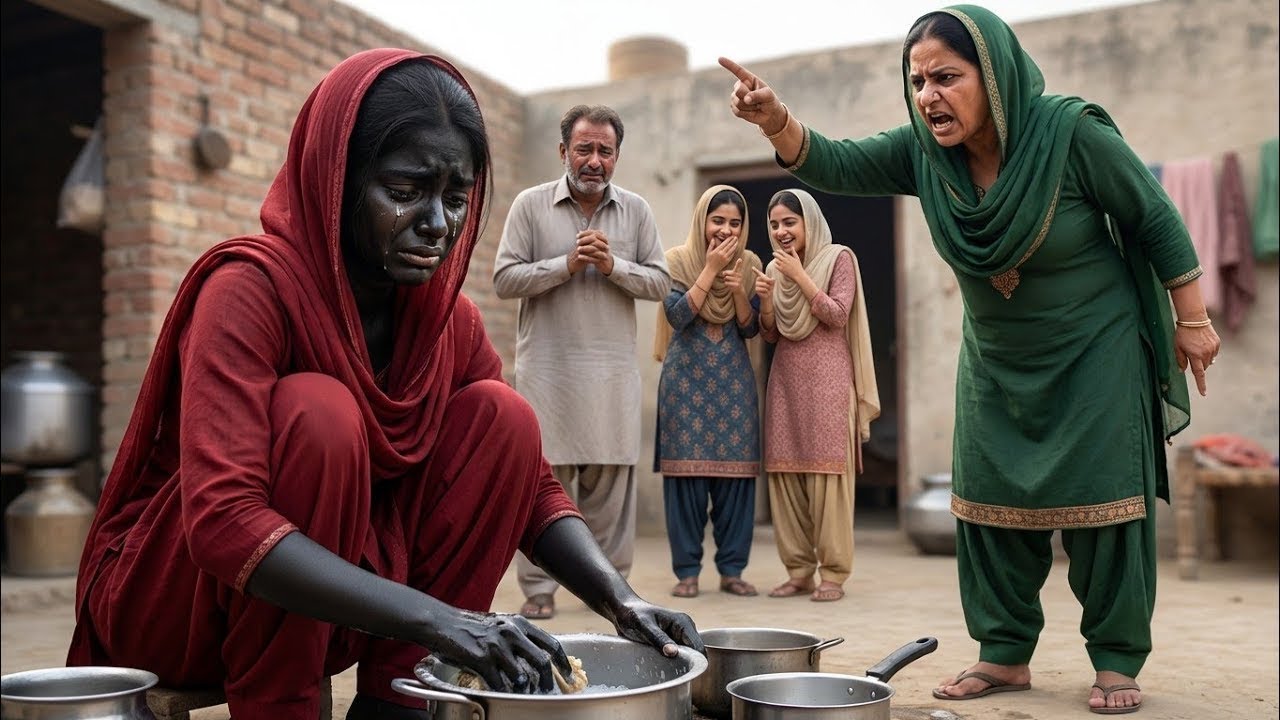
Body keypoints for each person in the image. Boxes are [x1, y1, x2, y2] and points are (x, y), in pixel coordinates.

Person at [67, 50, 701, 720]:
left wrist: (619, 598)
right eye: (404, 193)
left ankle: (399, 701)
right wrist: (444, 620)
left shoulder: (443, 319)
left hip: (340, 611)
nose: (437, 226)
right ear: (334, 181)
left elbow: (533, 489)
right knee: (319, 415)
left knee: (502, 418)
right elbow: (224, 523)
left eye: (455, 200)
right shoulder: (248, 292)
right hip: (181, 607)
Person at [720, 4, 1220, 715]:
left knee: (1105, 510)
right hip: (995, 361)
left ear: (994, 76)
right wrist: (775, 120)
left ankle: (1114, 660)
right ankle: (1004, 655)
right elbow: (836, 161)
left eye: (946, 77)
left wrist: (1192, 319)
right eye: (918, 81)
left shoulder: (1070, 133)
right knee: (987, 508)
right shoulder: (925, 153)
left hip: (1094, 353)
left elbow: (1155, 216)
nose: (928, 97)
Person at [494, 104, 671, 621]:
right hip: (548, 372)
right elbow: (505, 279)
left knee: (612, 489)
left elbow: (660, 283)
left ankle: (613, 593)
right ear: (563, 151)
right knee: (543, 482)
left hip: (610, 374)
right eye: (584, 149)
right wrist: (566, 265)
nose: (594, 160)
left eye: (605, 151)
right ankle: (539, 590)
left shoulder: (636, 211)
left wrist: (612, 265)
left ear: (617, 156)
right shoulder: (530, 205)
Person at [751, 188, 879, 604]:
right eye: (774, 224)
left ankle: (834, 574)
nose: (781, 231)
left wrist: (800, 277)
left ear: (809, 222)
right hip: (786, 380)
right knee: (786, 475)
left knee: (827, 476)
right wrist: (768, 301)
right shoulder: (774, 266)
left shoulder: (838, 258)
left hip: (829, 381)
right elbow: (772, 334)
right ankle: (799, 571)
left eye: (790, 222)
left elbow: (837, 314)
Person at [652, 184, 763, 599]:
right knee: (686, 481)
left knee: (736, 483)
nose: (726, 230)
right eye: (718, 220)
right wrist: (712, 270)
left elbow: (750, 328)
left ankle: (732, 571)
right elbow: (678, 316)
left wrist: (737, 289)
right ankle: (687, 572)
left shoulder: (751, 263)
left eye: (735, 223)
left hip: (734, 384)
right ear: (703, 221)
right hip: (685, 384)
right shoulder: (676, 261)